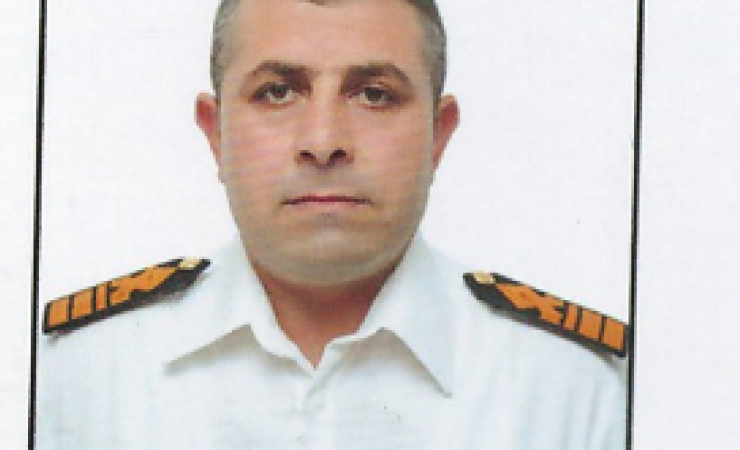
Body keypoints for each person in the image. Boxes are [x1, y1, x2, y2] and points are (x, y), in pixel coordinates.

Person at [36, 0, 627, 448]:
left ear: (438, 135)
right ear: (216, 133)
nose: (323, 142)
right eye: (277, 92)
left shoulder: (582, 392)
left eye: (374, 95)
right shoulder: (70, 376)